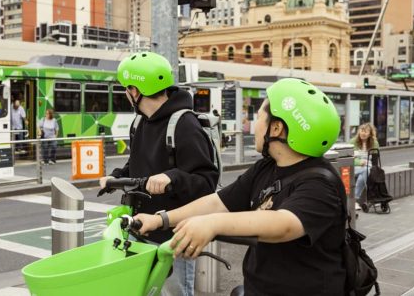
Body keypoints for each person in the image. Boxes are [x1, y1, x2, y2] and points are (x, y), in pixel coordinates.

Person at [135, 78, 347, 296]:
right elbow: (218, 202)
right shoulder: (266, 167)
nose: (255, 125)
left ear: (276, 128)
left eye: (260, 117)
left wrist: (213, 224)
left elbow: (285, 224)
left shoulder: (321, 184)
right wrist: (160, 219)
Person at [100, 52, 219, 296]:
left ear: (136, 90)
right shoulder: (140, 122)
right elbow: (139, 163)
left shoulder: (185, 125)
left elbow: (207, 182)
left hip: (173, 235)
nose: (126, 94)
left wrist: (171, 178)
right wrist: (116, 176)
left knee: (173, 293)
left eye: (127, 88)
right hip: (141, 227)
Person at [350, 123, 379, 209]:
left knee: (366, 171)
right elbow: (349, 159)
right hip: (354, 167)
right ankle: (372, 197)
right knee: (365, 170)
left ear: (370, 134)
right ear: (359, 131)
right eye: (361, 131)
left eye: (366, 131)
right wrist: (359, 162)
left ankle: (354, 201)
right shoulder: (353, 142)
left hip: (368, 168)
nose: (363, 133)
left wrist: (375, 170)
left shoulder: (374, 143)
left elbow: (375, 160)